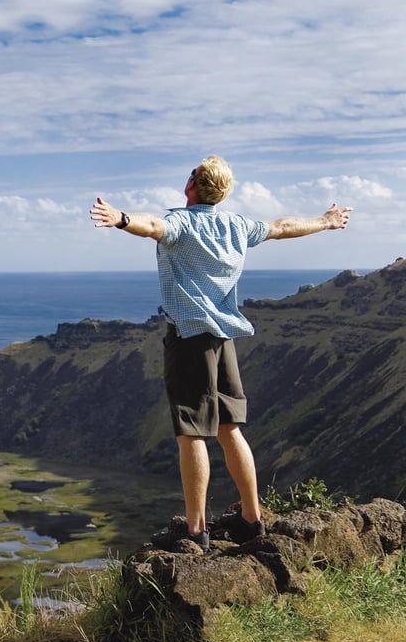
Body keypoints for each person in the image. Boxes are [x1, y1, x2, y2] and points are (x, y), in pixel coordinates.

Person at [89, 155, 352, 552]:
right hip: (223, 337)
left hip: (190, 336)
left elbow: (154, 226)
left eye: (192, 173)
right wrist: (325, 221)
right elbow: (281, 227)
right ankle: (252, 517)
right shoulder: (236, 225)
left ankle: (196, 530)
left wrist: (121, 218)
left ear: (192, 185)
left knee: (192, 432)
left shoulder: (182, 222)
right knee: (230, 428)